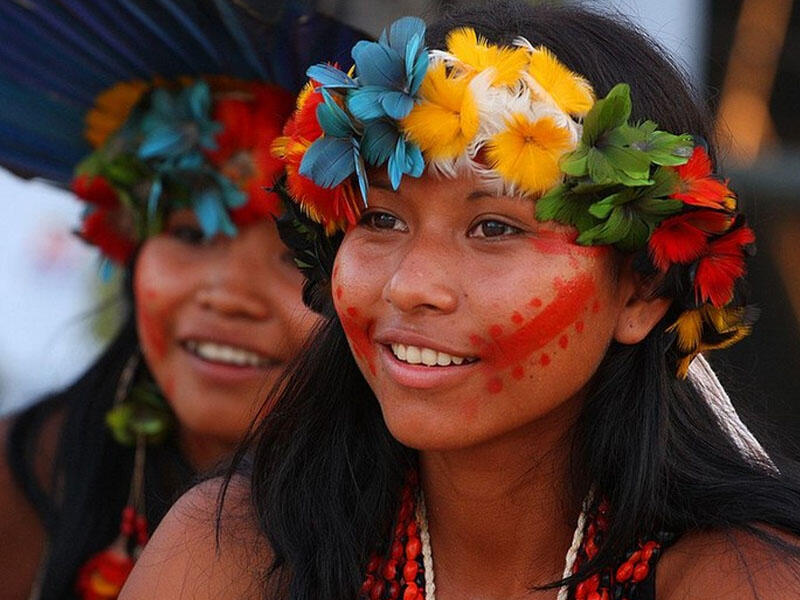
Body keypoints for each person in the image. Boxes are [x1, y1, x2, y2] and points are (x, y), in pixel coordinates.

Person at [121, 3, 800, 599]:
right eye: (380, 219)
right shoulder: (229, 552)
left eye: (494, 228)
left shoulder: (740, 581)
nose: (411, 285)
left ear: (641, 292)